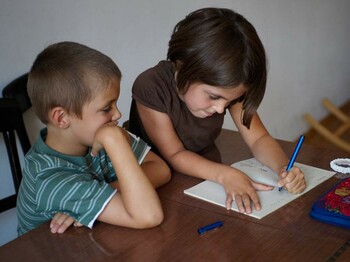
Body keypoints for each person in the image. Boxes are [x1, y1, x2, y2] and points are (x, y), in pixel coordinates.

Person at [129, 7, 306, 214]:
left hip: (206, 173)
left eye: (230, 100)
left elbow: (259, 139)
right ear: (182, 67)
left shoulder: (230, 86)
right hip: (155, 182)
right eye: (213, 97)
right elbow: (175, 154)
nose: (221, 108)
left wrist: (284, 168)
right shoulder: (151, 85)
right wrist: (226, 175)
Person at [16, 41, 171, 236]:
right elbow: (149, 216)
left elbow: (161, 169)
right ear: (62, 118)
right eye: (106, 108)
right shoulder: (50, 179)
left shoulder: (95, 135)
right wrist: (114, 139)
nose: (117, 114)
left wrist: (100, 196)